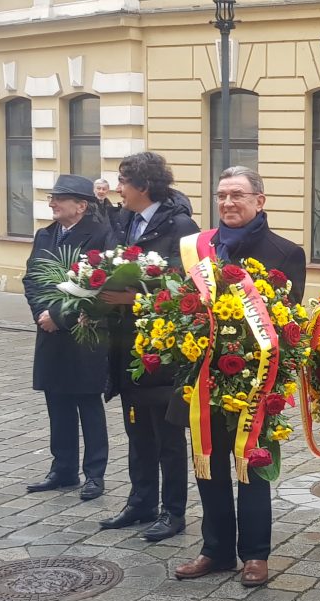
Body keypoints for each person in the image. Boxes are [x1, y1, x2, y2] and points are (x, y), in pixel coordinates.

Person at [175, 166, 306, 587]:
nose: (228, 203)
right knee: (207, 464)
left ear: (259, 201)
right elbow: (184, 308)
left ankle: (255, 555)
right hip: (204, 376)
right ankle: (215, 550)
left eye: (237, 195)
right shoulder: (197, 248)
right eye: (221, 195)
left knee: (252, 465)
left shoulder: (286, 252)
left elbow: (289, 323)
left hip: (257, 380)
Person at [97, 152, 199, 542]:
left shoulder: (180, 224)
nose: (118, 188)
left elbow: (185, 286)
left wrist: (132, 300)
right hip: (126, 345)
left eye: (124, 181)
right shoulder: (124, 221)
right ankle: (140, 501)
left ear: (143, 185)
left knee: (167, 436)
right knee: (137, 428)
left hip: (164, 350)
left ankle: (172, 512)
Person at [22, 175, 112, 501]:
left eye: (59, 198)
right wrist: (41, 314)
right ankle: (63, 469)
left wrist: (59, 317)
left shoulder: (101, 235)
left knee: (87, 402)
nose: (52, 203)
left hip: (83, 332)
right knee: (56, 401)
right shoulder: (45, 235)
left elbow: (97, 287)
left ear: (81, 205)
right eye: (52, 197)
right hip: (48, 331)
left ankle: (94, 474)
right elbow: (31, 278)